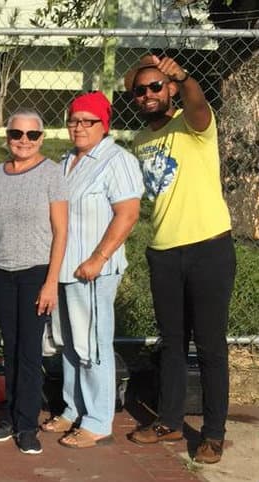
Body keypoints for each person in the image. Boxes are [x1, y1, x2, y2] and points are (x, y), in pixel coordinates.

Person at [125, 55, 236, 464]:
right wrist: (145, 64)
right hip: (164, 251)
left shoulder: (193, 125)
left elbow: (199, 104)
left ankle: (213, 433)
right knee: (172, 342)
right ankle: (169, 420)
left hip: (209, 246)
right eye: (141, 90)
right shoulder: (140, 139)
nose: (149, 94)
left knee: (210, 347)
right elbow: (129, 78)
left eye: (157, 87)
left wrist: (181, 76)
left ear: (171, 90)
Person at [41, 91, 143, 449]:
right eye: (73, 120)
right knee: (69, 344)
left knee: (93, 344)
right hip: (66, 270)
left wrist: (98, 258)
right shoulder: (68, 160)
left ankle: (98, 421)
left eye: (88, 121)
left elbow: (128, 213)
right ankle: (73, 409)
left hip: (93, 270)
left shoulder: (117, 159)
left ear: (105, 124)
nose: (79, 127)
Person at [0, 109, 68, 454]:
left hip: (35, 271)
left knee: (30, 351)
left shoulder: (51, 174)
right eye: (17, 134)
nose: (23, 141)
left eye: (32, 135)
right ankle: (9, 417)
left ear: (41, 138)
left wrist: (51, 282)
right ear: (8, 137)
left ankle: (27, 424)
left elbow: (61, 232)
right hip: (1, 271)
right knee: (10, 347)